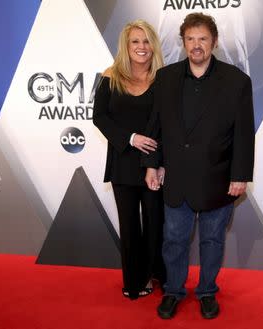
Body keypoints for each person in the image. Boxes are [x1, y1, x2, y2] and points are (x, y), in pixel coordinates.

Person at [143, 13, 255, 319]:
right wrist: (152, 165)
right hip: (176, 178)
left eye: (203, 39)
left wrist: (240, 175)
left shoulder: (236, 81)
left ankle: (207, 291)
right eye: (190, 39)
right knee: (174, 240)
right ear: (182, 43)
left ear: (214, 42)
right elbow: (155, 126)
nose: (196, 45)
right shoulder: (165, 79)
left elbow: (244, 134)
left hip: (217, 179)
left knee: (212, 240)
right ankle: (174, 291)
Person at [93, 20, 166, 300]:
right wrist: (131, 138)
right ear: (126, 45)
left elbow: (165, 125)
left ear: (153, 46)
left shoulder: (164, 79)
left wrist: (158, 164)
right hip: (122, 162)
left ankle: (150, 275)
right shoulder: (111, 76)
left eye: (146, 41)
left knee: (154, 224)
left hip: (153, 164)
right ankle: (132, 279)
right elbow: (99, 117)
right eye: (135, 41)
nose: (141, 47)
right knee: (129, 225)